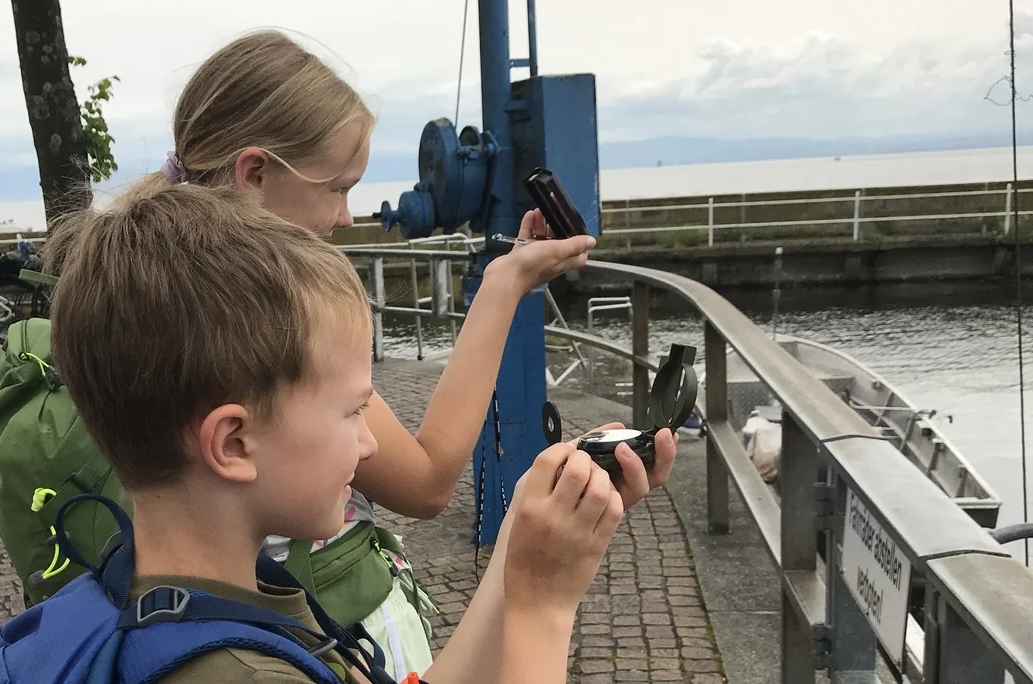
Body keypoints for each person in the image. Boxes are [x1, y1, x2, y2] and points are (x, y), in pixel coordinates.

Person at [42, 28, 675, 679]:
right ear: (254, 173)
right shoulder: (253, 332)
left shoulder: (202, 602)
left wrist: (524, 534)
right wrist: (544, 606)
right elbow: (426, 479)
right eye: (337, 186)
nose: (347, 217)